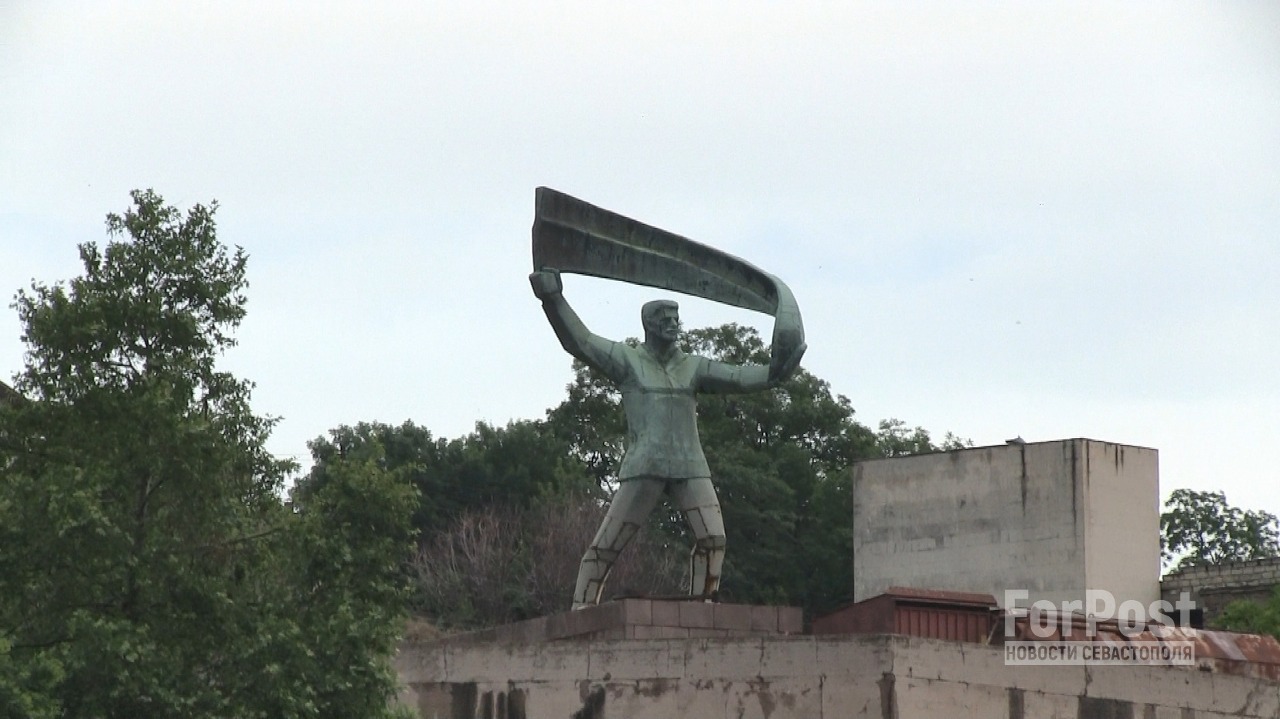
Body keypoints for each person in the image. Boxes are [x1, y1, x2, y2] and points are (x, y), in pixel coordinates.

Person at [529, 269, 805, 609]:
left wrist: (777, 371)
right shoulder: (627, 360)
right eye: (664, 317)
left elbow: (741, 377)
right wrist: (552, 298)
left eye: (676, 317)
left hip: (690, 466)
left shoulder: (693, 366)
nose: (673, 323)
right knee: (607, 546)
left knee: (714, 539)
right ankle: (581, 609)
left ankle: (701, 606)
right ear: (648, 323)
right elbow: (580, 341)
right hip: (646, 464)